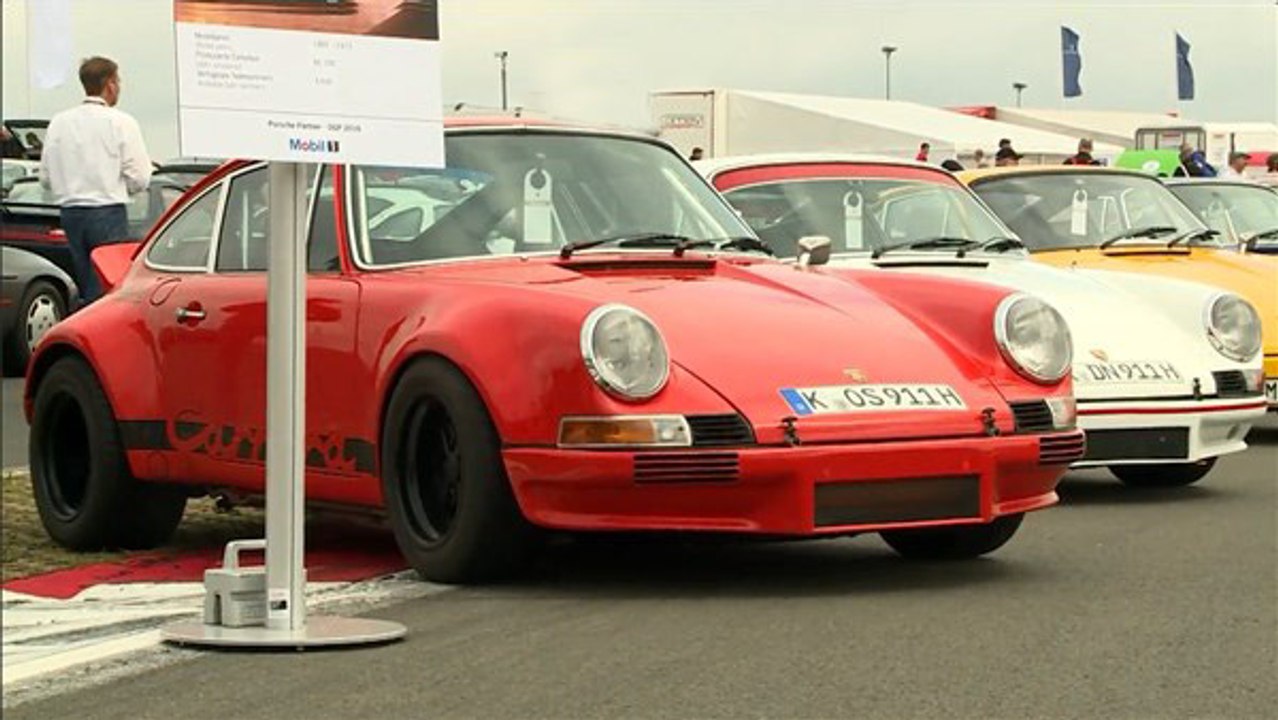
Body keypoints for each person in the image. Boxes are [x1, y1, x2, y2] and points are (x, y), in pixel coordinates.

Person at [40, 56, 152, 306]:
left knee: (83, 282)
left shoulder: (59, 122)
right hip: (107, 209)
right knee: (107, 286)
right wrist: (125, 187)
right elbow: (141, 177)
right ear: (110, 84)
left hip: (70, 212)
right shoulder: (121, 122)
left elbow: (46, 177)